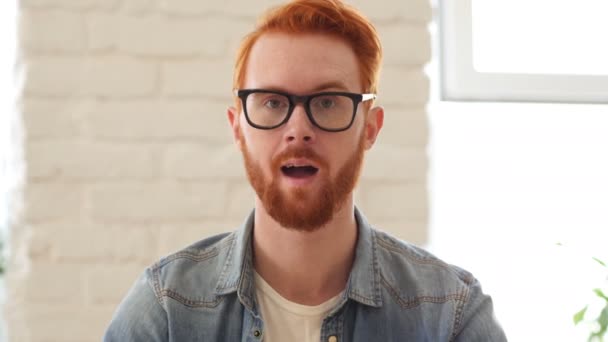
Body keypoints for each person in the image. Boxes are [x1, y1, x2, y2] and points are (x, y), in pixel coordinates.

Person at [104, 0, 507, 341]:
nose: (298, 130)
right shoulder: (167, 309)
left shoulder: (450, 315)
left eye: (328, 102)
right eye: (273, 103)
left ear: (370, 127)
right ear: (237, 127)